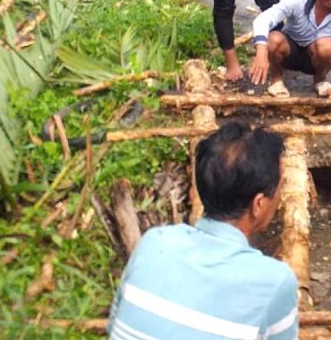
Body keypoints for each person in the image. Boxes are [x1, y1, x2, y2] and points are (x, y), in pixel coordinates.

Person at [108, 122, 298, 340]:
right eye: (280, 187)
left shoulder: (153, 243)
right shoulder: (274, 281)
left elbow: (114, 324)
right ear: (259, 204)